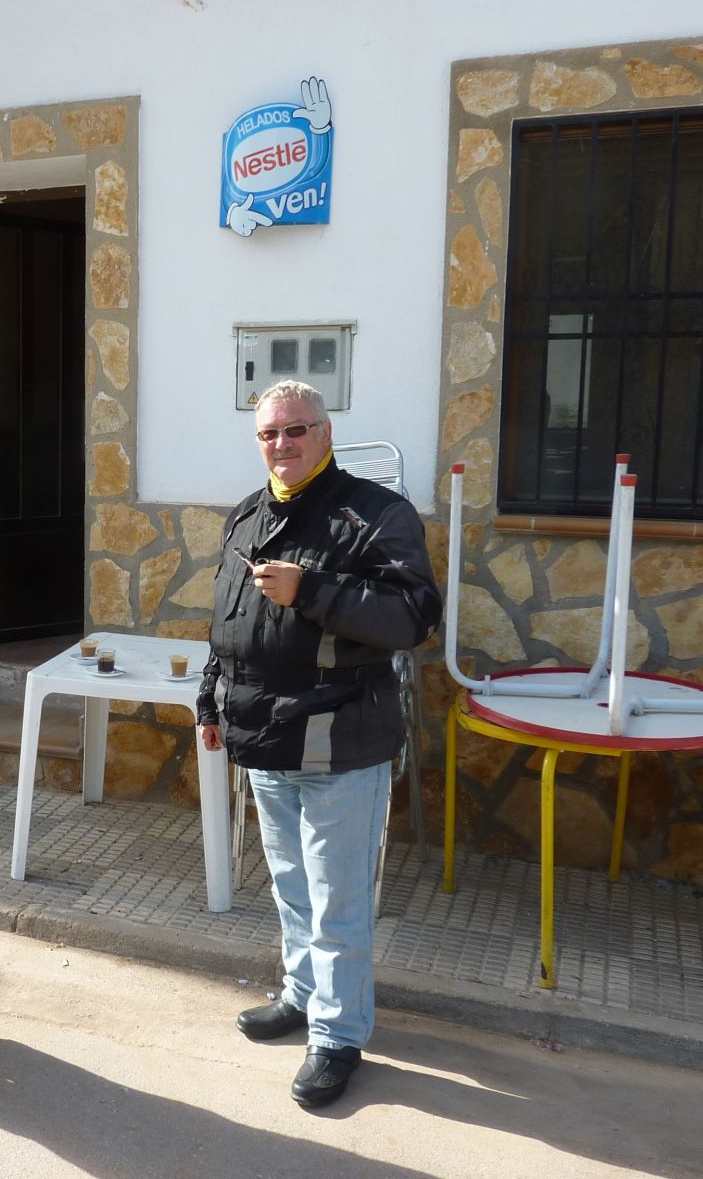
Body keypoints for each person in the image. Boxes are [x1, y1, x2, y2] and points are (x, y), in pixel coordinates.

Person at [197, 379, 441, 1109]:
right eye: (269, 433)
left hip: (341, 737)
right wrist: (210, 697)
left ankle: (338, 1035)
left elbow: (411, 618)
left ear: (326, 434)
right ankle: (302, 996)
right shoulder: (248, 513)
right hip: (267, 734)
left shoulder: (375, 514)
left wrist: (311, 590)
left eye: (296, 429)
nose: (283, 443)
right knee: (292, 886)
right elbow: (227, 621)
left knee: (338, 898)